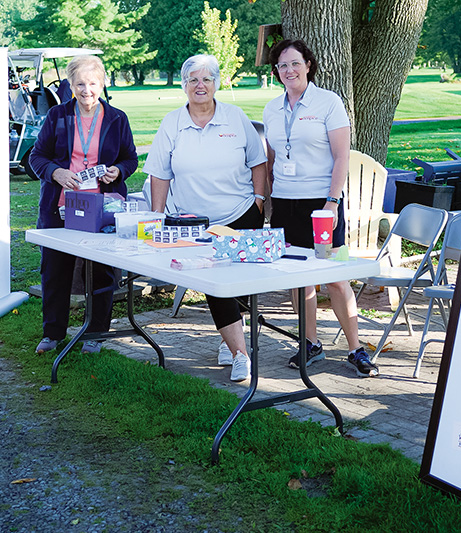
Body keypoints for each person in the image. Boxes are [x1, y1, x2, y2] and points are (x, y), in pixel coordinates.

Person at [144, 54, 268, 382]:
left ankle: (231, 344)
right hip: (194, 222)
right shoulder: (172, 123)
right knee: (215, 284)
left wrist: (258, 200)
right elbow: (159, 173)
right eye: (193, 80)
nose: (200, 86)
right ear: (184, 85)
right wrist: (157, 216)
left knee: (239, 285)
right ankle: (242, 354)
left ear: (216, 83)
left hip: (241, 213)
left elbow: (258, 161)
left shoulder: (235, 117)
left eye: (207, 79)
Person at [263, 39, 379, 378]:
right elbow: (271, 157)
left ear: (309, 65)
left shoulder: (328, 102)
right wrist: (269, 199)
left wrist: (332, 201)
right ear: (276, 71)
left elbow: (342, 155)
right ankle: (310, 343)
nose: (289, 70)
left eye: (295, 63)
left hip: (322, 206)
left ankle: (356, 348)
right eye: (282, 65)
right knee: (299, 279)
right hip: (285, 203)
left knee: (336, 277)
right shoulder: (272, 108)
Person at [30, 55, 138, 355]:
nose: (86, 90)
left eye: (92, 83)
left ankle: (96, 334)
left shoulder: (117, 118)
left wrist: (119, 171)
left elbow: (130, 158)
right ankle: (53, 333)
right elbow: (36, 157)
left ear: (102, 84)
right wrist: (56, 172)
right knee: (55, 271)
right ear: (70, 85)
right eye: (80, 84)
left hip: (102, 210)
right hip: (60, 208)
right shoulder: (57, 116)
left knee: (102, 272)